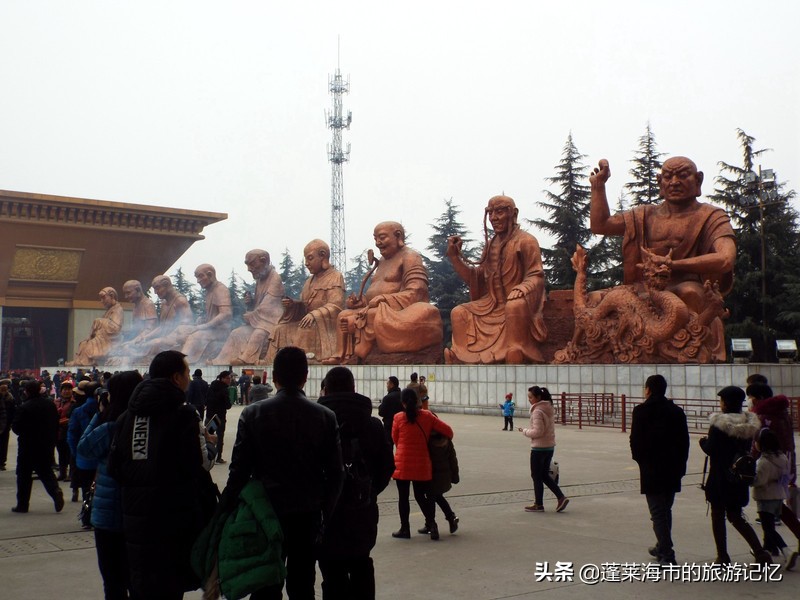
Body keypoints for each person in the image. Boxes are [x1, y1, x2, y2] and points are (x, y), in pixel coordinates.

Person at [223, 346, 344, 599]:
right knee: (302, 585)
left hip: (265, 513)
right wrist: (325, 513)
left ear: (274, 377)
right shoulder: (325, 416)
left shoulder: (253, 413)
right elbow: (336, 474)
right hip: (307, 514)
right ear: (306, 376)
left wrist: (225, 510)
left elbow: (239, 472)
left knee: (265, 584)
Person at [589, 156, 736, 361]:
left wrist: (673, 265)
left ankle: (691, 349)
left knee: (689, 294)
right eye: (668, 177)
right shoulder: (644, 215)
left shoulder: (711, 216)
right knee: (596, 298)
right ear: (660, 182)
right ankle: (606, 351)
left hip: (687, 284)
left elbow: (726, 258)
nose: (674, 182)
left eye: (682, 176)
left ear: (698, 180)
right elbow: (600, 225)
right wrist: (598, 187)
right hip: (643, 288)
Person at [108, 350, 213, 599]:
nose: (188, 378)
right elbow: (199, 466)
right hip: (173, 518)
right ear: (176, 378)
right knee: (169, 585)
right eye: (187, 373)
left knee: (142, 586)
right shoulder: (184, 415)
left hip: (134, 520)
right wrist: (209, 446)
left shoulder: (127, 417)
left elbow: (115, 468)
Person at [317, 366, 395, 600]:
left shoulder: (317, 422)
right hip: (363, 509)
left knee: (331, 572)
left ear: (325, 390)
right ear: (353, 388)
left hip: (326, 513)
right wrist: (368, 490)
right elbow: (387, 467)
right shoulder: (372, 425)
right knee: (362, 565)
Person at [446, 195, 547, 364]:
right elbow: (476, 278)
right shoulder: (490, 245)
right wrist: (455, 257)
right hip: (490, 304)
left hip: (515, 302)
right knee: (459, 312)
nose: (493, 218)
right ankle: (462, 354)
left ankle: (517, 348)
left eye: (499, 212)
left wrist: (523, 288)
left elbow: (536, 275)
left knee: (514, 306)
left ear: (513, 214)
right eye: (490, 213)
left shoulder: (526, 241)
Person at [329, 222, 443, 363]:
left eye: (382, 237)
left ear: (398, 236)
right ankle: (343, 355)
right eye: (375, 238)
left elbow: (417, 292)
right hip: (377, 308)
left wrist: (384, 299)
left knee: (373, 315)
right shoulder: (382, 261)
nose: (378, 243)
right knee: (344, 315)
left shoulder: (410, 257)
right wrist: (361, 302)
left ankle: (362, 352)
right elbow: (377, 292)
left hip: (401, 310)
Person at [77, 370, 143, 599]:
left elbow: (84, 448)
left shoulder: (111, 427)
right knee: (138, 582)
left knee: (113, 583)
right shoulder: (145, 425)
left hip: (107, 516)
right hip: (139, 514)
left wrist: (101, 413)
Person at [699, 386, 771, 564]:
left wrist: (703, 443)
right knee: (735, 515)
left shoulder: (719, 424)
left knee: (717, 514)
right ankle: (760, 552)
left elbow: (711, 449)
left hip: (720, 476)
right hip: (739, 475)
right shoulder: (748, 423)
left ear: (725, 403)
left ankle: (722, 555)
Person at [629, 374, 690, 565]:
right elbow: (684, 442)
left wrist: (641, 461)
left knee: (657, 511)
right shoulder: (676, 411)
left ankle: (667, 553)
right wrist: (681, 465)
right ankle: (661, 545)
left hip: (651, 468)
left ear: (647, 389)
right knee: (665, 509)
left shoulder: (641, 411)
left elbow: (635, 441)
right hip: (673, 467)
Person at [747, 381, 800, 569]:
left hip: (769, 466)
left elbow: (757, 442)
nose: (750, 401)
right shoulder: (781, 413)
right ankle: (770, 547)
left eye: (752, 397)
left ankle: (774, 549)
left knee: (771, 510)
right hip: (785, 463)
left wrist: (750, 461)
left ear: (759, 398)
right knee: (776, 507)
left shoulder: (764, 417)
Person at [267, 239, 346, 363]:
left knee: (307, 325)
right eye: (306, 259)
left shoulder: (335, 276)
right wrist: (293, 305)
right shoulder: (309, 281)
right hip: (307, 319)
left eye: (310, 258)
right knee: (279, 329)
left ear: (323, 255)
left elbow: (336, 305)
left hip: (323, 324)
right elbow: (305, 306)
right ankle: (273, 361)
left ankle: (304, 359)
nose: (306, 263)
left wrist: (315, 314)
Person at [391, 388, 454, 541]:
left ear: (403, 403)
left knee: (403, 497)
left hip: (403, 463)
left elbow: (395, 439)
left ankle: (405, 529)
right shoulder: (427, 416)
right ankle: (432, 525)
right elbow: (449, 432)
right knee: (422, 495)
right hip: (422, 462)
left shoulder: (398, 417)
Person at [213, 249, 285, 365]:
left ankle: (247, 359)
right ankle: (221, 360)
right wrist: (250, 303)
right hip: (260, 320)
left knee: (259, 334)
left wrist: (252, 315)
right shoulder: (260, 280)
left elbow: (269, 304)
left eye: (252, 264)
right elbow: (259, 304)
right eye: (248, 265)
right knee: (236, 333)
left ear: (264, 261)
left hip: (272, 321)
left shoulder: (275, 278)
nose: (249, 269)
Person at [10, 380, 65, 513]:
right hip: (46, 444)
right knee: (46, 471)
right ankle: (55, 491)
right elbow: (55, 423)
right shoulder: (50, 405)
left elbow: (16, 428)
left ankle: (22, 504)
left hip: (27, 446)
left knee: (24, 475)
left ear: (27, 392)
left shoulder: (24, 407)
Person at [519, 386, 569, 513]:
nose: (529, 399)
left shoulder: (537, 411)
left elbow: (537, 431)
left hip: (539, 448)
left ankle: (539, 504)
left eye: (531, 397)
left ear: (538, 397)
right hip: (549, 447)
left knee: (536, 476)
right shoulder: (549, 408)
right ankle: (560, 497)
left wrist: (524, 431)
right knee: (544, 475)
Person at [418, 394, 460, 536]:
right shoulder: (446, 438)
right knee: (436, 496)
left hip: (430, 473)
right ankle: (449, 518)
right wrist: (455, 476)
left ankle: (432, 525)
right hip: (443, 474)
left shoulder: (426, 440)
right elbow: (453, 459)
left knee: (431, 497)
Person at [752, 428, 791, 563]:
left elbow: (759, 481)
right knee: (770, 524)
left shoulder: (763, 462)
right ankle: (770, 548)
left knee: (768, 528)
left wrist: (750, 480)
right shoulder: (782, 457)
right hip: (779, 494)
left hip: (766, 496)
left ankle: (785, 549)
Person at [67, 287, 124, 366]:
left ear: (112, 296)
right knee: (83, 343)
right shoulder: (109, 310)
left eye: (104, 298)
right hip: (103, 337)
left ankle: (85, 362)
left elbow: (116, 328)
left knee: (90, 345)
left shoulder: (118, 309)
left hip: (110, 340)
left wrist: (99, 321)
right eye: (101, 299)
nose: (102, 301)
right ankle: (81, 361)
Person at [207, 371, 233, 464]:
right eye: (227, 378)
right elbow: (228, 405)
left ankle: (208, 457)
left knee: (208, 436)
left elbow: (207, 400)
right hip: (219, 418)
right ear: (222, 378)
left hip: (210, 416)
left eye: (230, 378)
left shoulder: (211, 386)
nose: (229, 380)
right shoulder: (224, 390)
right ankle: (218, 458)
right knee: (219, 437)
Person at [54, 381, 76, 481]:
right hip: (58, 432)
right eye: (65, 389)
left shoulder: (74, 402)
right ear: (61, 391)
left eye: (68, 389)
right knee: (61, 453)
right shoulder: (56, 402)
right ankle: (62, 473)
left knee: (70, 453)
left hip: (69, 431)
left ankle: (71, 474)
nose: (66, 391)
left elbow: (73, 417)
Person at [378, 376, 402, 444]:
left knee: (389, 445)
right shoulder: (402, 395)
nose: (387, 386)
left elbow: (381, 412)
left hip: (389, 426)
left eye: (387, 383)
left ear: (391, 384)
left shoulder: (388, 397)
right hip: (401, 424)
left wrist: (380, 406)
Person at [0, 379, 15, 470]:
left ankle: (2, 462)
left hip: (6, 425)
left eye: (6, 388)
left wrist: (11, 423)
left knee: (3, 444)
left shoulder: (10, 398)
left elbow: (13, 412)